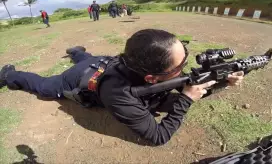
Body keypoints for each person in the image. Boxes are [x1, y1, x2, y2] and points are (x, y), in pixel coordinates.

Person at [0, 29, 244, 146]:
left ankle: (77, 51)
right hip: (78, 78)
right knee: (44, 87)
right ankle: (9, 74)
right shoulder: (118, 95)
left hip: (104, 62)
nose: (185, 66)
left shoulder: (140, 61)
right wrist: (186, 101)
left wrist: (222, 81)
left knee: (86, 58)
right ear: (151, 78)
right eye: (180, 65)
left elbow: (182, 89)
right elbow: (158, 137)